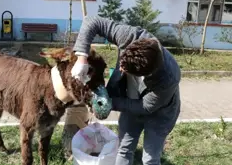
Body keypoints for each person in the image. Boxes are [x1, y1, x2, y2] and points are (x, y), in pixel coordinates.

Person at [71, 15, 181, 165]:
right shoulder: (130, 36)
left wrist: (110, 102)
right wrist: (81, 57)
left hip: (160, 114)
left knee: (150, 158)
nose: (120, 69)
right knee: (124, 149)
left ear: (145, 74)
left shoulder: (169, 77)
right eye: (122, 64)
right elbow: (92, 21)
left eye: (126, 69)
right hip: (130, 102)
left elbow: (146, 106)